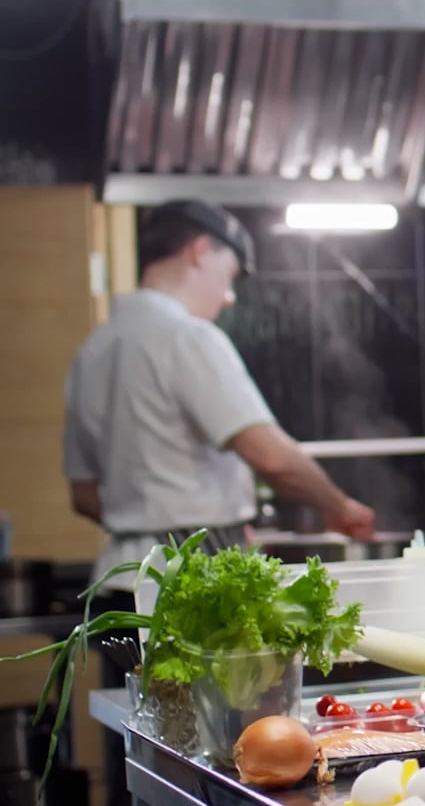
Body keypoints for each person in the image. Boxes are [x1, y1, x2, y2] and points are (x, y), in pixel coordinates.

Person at [62, 198, 377, 584]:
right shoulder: (189, 337)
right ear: (199, 251)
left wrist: (149, 516)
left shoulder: (92, 350)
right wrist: (338, 506)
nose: (229, 297)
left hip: (116, 584)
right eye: (229, 275)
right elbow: (271, 458)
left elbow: (84, 495)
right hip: (190, 582)